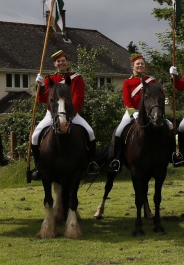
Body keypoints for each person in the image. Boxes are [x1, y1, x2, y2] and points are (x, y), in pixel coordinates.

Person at [30, 50, 99, 180]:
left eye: (63, 60)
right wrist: (41, 87)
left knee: (90, 132)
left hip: (72, 113)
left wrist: (70, 113)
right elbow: (43, 99)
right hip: (52, 114)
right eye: (58, 61)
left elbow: (78, 97)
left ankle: (91, 163)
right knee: (35, 136)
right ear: (55, 64)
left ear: (67, 62)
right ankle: (38, 167)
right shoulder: (49, 78)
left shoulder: (77, 78)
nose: (61, 63)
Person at [108, 52, 171, 172]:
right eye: (137, 64)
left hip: (152, 112)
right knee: (119, 131)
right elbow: (126, 99)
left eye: (142, 63)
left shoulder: (152, 81)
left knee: (170, 126)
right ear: (132, 66)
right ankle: (116, 159)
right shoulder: (128, 82)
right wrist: (134, 112)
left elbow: (158, 96)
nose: (140, 65)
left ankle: (172, 155)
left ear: (145, 66)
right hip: (133, 111)